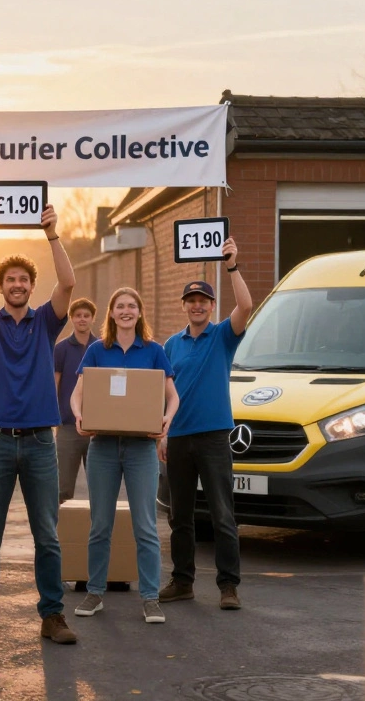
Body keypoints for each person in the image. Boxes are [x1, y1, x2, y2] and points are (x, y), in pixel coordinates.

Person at [0, 203, 79, 647]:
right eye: (10, 280)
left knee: (47, 535)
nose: (17, 285)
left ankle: (52, 616)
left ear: (31, 287)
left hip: (40, 444)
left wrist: (52, 235)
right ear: (2, 286)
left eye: (24, 281)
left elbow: (68, 282)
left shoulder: (46, 322)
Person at [68, 288, 179, 624]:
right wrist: (79, 416)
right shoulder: (97, 352)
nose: (127, 311)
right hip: (102, 446)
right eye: (120, 307)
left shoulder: (155, 352)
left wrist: (165, 421)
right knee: (100, 524)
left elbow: (172, 397)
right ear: (112, 314)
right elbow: (78, 395)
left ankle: (150, 597)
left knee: (145, 526)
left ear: (139, 313)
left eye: (132, 306)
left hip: (141, 448)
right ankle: (95, 592)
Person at [158, 237, 254, 611]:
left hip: (214, 437)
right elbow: (163, 394)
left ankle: (228, 587)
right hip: (178, 438)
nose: (197, 306)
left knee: (222, 514)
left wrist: (232, 265)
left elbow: (246, 305)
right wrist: (161, 435)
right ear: (184, 306)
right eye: (191, 301)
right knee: (180, 517)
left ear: (212, 306)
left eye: (203, 301)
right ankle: (182, 582)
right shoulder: (171, 345)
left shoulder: (222, 337)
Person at [54, 298, 96, 502]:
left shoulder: (101, 347)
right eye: (78, 316)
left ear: (92, 319)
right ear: (71, 318)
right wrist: (54, 420)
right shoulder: (61, 349)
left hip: (98, 428)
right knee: (62, 488)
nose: (82, 319)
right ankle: (59, 531)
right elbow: (54, 385)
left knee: (99, 487)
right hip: (68, 426)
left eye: (86, 316)